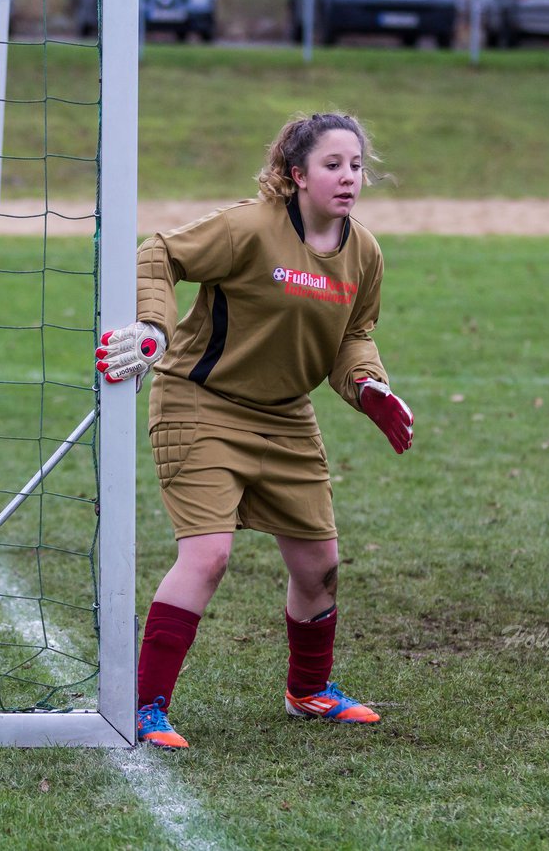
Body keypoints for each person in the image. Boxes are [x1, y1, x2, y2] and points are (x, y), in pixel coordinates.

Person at [96, 112, 414, 750]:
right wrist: (153, 327)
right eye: (332, 165)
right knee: (208, 554)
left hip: (286, 415)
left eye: (355, 166)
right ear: (297, 175)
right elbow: (160, 252)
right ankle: (143, 706)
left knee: (319, 564)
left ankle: (308, 692)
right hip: (200, 402)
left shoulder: (365, 252)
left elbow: (354, 337)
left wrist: (369, 387)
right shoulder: (248, 228)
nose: (348, 177)